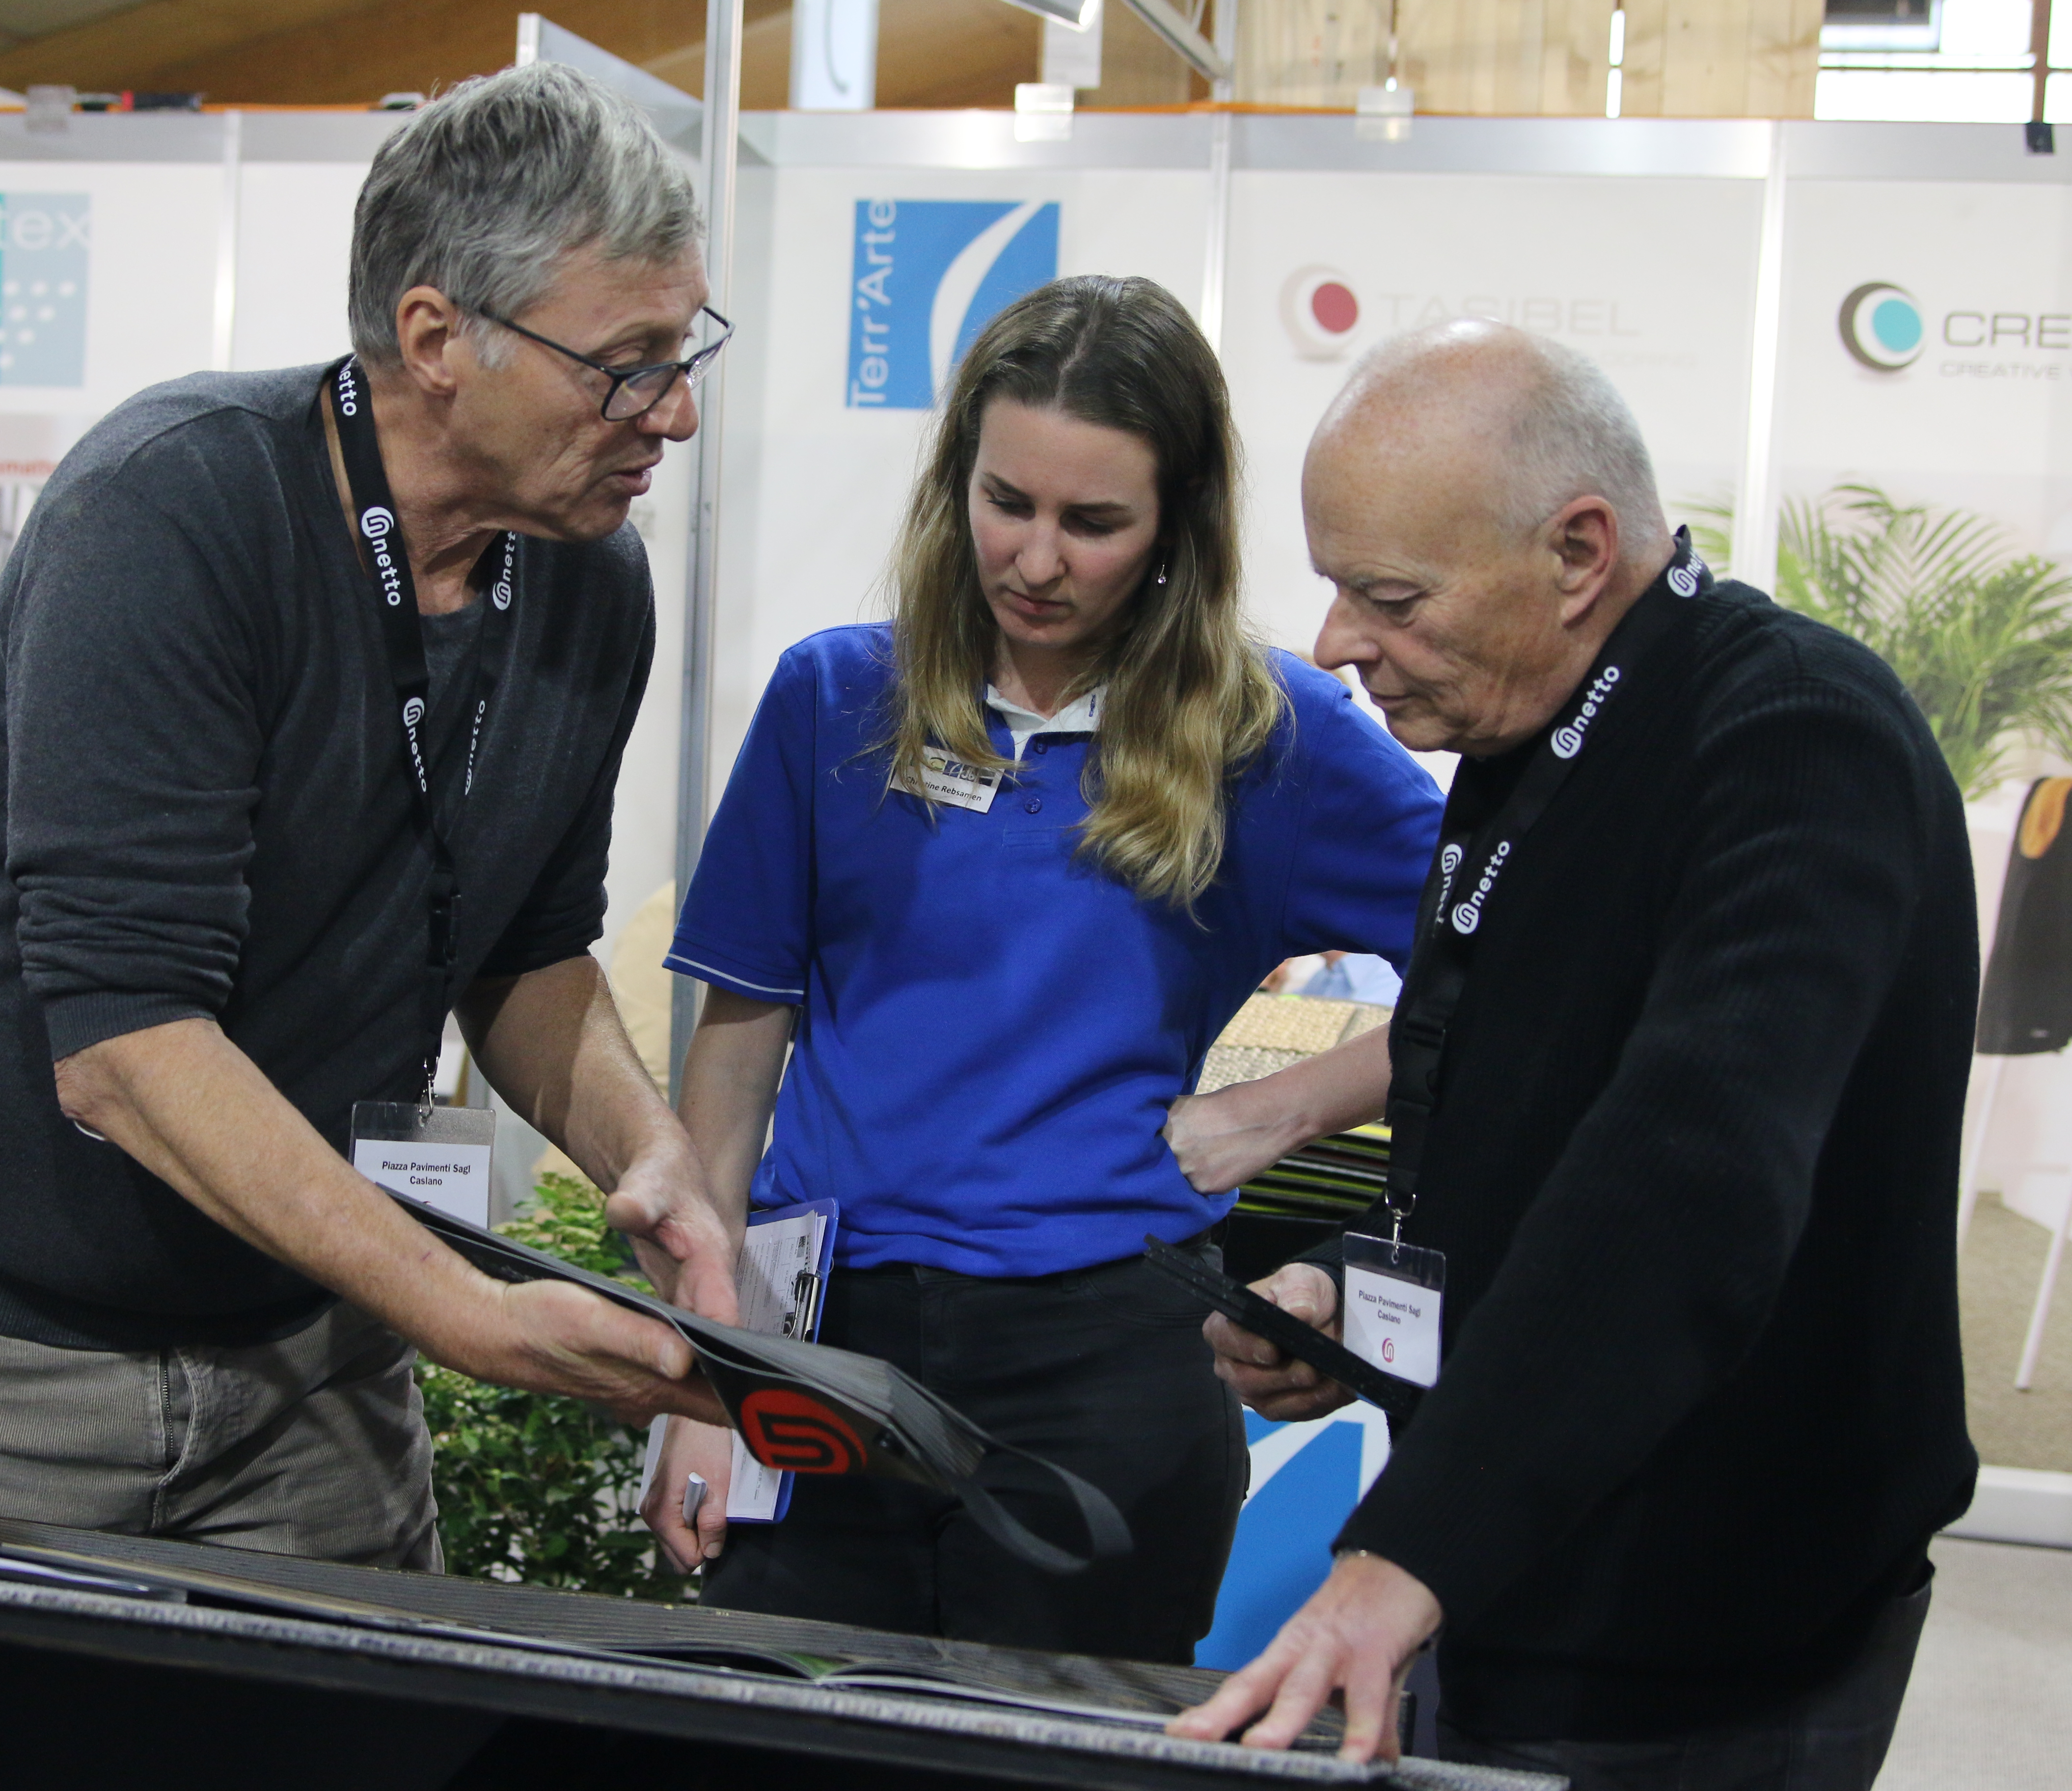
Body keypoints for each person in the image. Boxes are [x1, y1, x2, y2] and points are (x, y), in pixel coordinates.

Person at [0, 64, 737, 1561]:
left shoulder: (587, 576)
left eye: (685, 353)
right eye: (627, 361)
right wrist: (472, 1317)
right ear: (437, 340)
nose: (672, 412)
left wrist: (641, 1143)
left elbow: (529, 956)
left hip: (314, 1361)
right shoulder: (172, 511)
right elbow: (126, 1052)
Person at [1175, 321, 1976, 1785]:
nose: (1340, 643)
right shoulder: (1531, 741)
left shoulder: (1798, 743)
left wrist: (1413, 1550)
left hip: (1709, 1627)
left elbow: (1689, 1180)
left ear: (1579, 551)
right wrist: (1357, 1289)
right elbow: (1523, 1132)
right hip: (1524, 1570)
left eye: (1389, 595)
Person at [639, 275, 1443, 1661]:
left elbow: (1518, 964)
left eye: (1094, 523)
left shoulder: (1273, 739)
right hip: (824, 1346)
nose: (1037, 559)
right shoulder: (833, 700)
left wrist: (1285, 1106)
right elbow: (735, 1060)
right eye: (1007, 502)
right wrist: (698, 1390)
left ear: (1175, 526)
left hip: (1111, 1362)